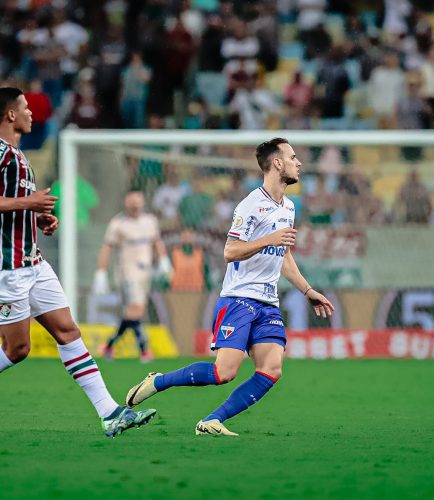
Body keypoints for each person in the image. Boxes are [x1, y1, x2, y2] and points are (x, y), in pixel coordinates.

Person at [125, 137, 334, 436]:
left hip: (268, 303)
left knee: (272, 369)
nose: (298, 162)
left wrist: (308, 290)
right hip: (239, 299)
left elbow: (283, 256)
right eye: (292, 156)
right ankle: (159, 381)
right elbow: (229, 251)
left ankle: (212, 420)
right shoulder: (250, 205)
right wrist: (267, 240)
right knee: (223, 373)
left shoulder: (288, 207)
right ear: (277, 163)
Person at [0, 87, 156, 437]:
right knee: (17, 348)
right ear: (10, 115)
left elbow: (13, 208)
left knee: (69, 332)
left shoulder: (18, 156)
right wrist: (28, 205)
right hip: (7, 268)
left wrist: (39, 218)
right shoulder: (1, 155)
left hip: (33, 262)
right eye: (24, 108)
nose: (30, 114)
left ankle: (110, 413)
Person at [93, 190, 172, 362]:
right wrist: (101, 272)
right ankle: (144, 350)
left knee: (134, 311)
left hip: (145, 272)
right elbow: (107, 248)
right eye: (131, 201)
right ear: (126, 202)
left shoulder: (150, 221)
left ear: (142, 202)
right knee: (135, 308)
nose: (135, 205)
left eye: (138, 201)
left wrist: (164, 261)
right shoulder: (118, 223)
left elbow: (156, 242)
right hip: (127, 273)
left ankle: (109, 346)